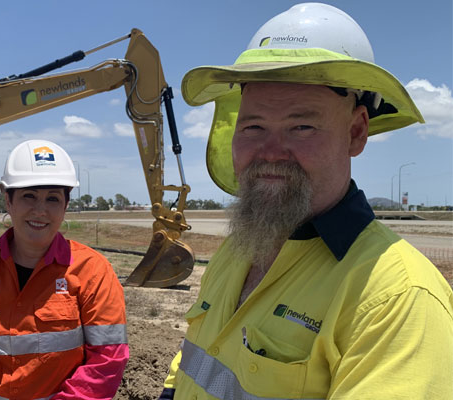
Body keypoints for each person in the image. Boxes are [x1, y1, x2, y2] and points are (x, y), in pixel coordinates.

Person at [161, 3, 453, 399]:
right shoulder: (239, 249)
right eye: (254, 126)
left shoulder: (396, 298)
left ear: (355, 132)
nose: (271, 151)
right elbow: (194, 361)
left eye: (301, 126)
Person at [0, 139, 128, 399]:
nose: (40, 210)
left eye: (53, 198)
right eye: (29, 196)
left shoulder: (92, 271)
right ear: (8, 199)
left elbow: (107, 359)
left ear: (65, 205)